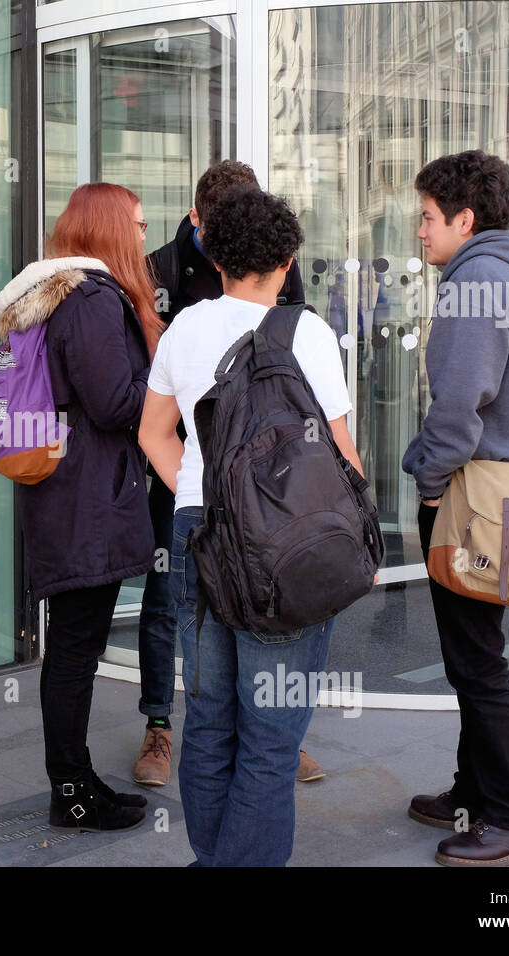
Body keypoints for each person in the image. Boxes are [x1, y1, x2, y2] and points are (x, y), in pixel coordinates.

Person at [138, 187, 365, 865]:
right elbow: (342, 454)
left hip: (196, 534)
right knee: (270, 738)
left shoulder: (183, 328)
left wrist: (212, 494)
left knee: (209, 722)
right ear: (288, 259)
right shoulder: (308, 333)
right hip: (282, 547)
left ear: (210, 250)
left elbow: (152, 434)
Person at [132, 160, 322, 788]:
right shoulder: (157, 273)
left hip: (267, 486)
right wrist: (197, 471)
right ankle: (160, 726)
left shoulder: (281, 288)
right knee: (171, 601)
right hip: (192, 484)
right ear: (198, 224)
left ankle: (269, 736)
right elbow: (149, 400)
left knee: (265, 603)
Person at [0, 182, 161, 831]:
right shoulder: (90, 300)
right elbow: (116, 402)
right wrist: (166, 374)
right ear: (111, 230)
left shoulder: (53, 296)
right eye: (138, 225)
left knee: (72, 644)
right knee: (74, 649)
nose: (145, 237)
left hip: (67, 493)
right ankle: (71, 790)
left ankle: (77, 779)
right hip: (87, 498)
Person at [402, 151, 509, 866]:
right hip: (498, 496)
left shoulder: (475, 283)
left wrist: (427, 481)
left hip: (470, 500)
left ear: (465, 219)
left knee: (478, 663)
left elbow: (458, 412)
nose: (419, 233)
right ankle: (475, 793)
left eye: (428, 218)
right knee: (474, 655)